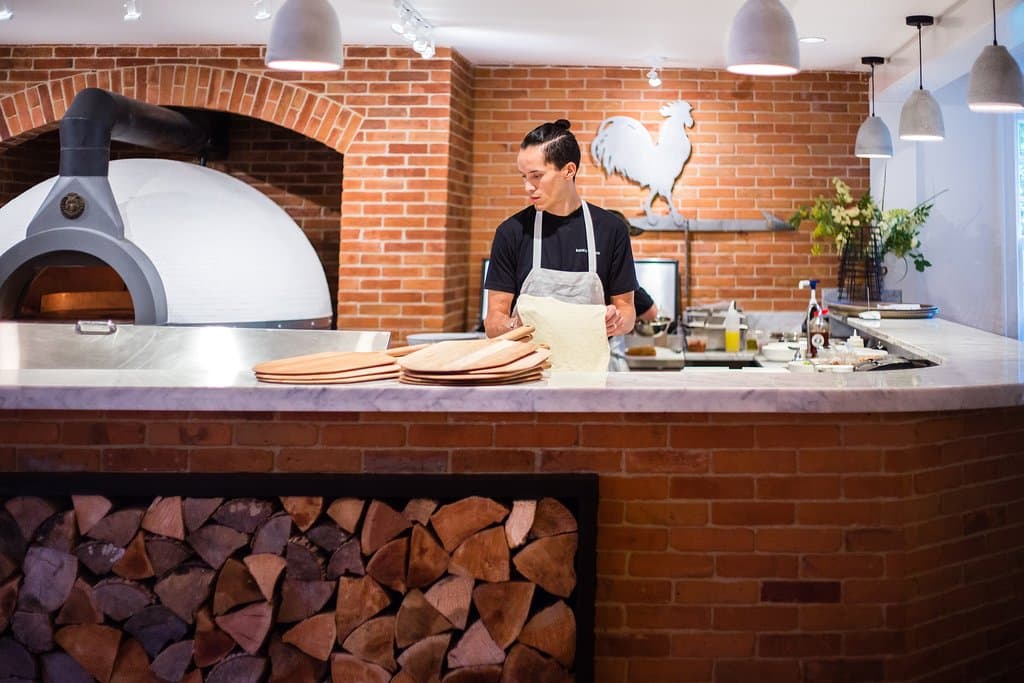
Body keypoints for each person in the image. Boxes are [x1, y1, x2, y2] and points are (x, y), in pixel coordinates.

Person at [483, 119, 637, 341]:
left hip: (590, 368)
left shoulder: (611, 230)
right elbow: (494, 321)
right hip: (529, 368)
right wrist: (514, 326)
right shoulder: (511, 232)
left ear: (568, 171)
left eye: (536, 176)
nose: (528, 187)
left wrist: (616, 321)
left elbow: (627, 311)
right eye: (524, 177)